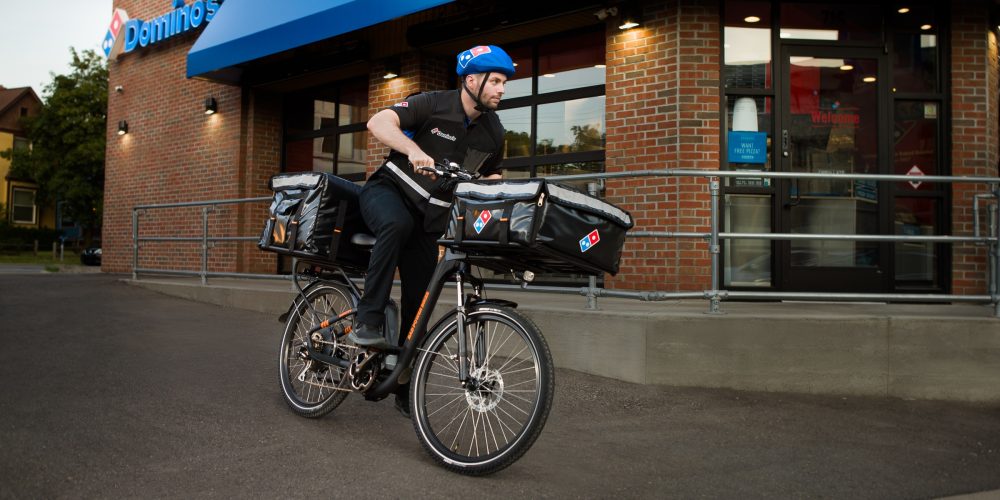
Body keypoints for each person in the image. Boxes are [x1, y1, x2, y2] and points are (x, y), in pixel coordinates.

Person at [347, 45, 514, 415]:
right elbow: (378, 123)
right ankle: (367, 319)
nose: (502, 89)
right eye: (496, 81)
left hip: (429, 221)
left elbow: (492, 174)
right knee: (396, 223)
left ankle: (402, 381)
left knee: (420, 300)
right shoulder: (434, 103)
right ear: (472, 80)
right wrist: (412, 150)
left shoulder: (493, 130)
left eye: (504, 83)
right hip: (386, 194)